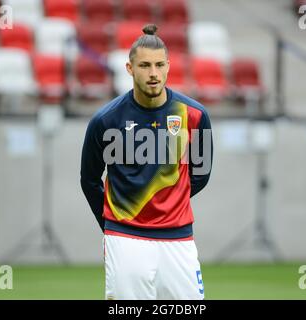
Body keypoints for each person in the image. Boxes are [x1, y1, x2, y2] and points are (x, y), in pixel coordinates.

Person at [80, 24, 213, 300]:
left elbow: (200, 175)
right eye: (144, 66)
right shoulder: (105, 120)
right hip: (125, 238)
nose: (153, 74)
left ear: (168, 66)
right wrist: (110, 224)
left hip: (179, 239)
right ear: (129, 68)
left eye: (159, 65)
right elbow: (89, 179)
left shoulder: (196, 116)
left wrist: (168, 201)